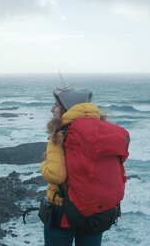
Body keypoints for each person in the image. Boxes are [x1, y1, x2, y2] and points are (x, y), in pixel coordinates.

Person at [40, 88, 130, 246]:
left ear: (66, 108)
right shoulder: (105, 131)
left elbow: (55, 175)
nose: (52, 109)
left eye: (56, 105)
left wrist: (45, 162)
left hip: (63, 213)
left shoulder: (61, 133)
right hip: (96, 211)